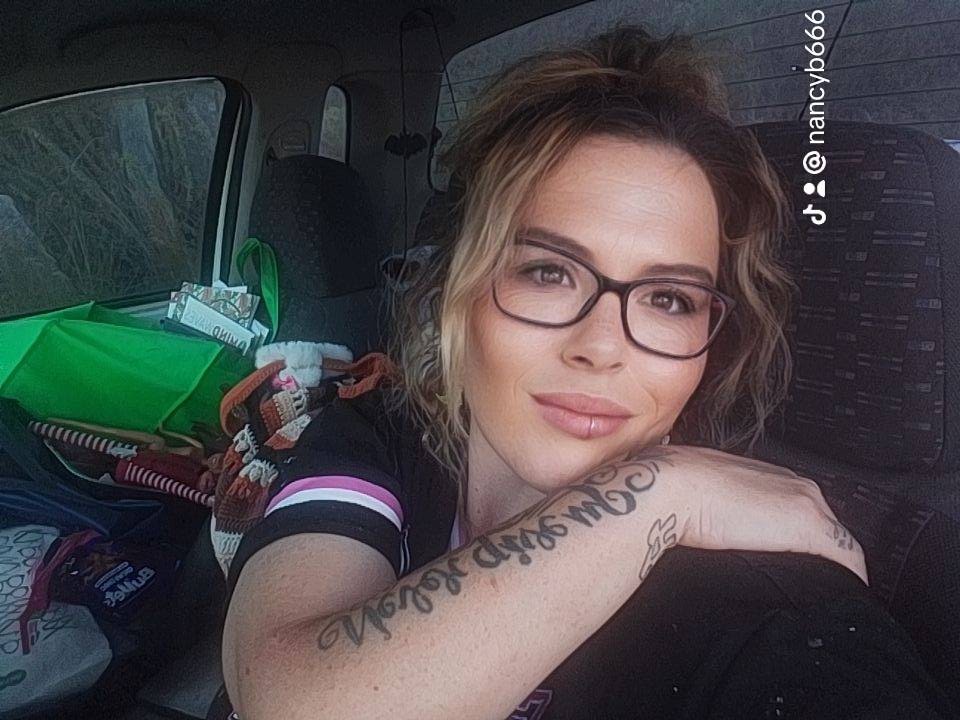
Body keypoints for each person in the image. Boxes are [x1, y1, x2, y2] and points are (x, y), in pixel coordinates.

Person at [217, 25, 954, 720]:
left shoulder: (780, 614)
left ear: (709, 341)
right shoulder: (379, 435)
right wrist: (666, 491)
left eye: (669, 299)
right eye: (548, 272)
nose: (601, 347)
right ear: (456, 292)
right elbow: (283, 694)